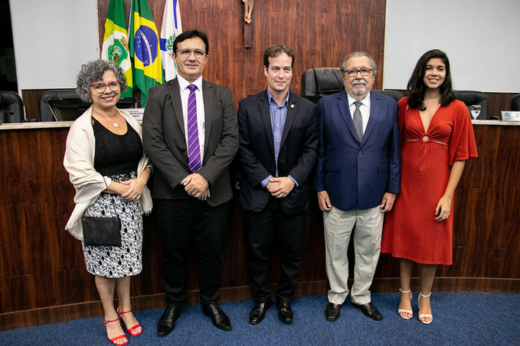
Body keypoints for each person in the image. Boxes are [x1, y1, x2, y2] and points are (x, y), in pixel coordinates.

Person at [142, 30, 239, 335]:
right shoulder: (158, 94)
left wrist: (205, 177)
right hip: (172, 193)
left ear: (207, 58)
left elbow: (230, 140)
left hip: (214, 191)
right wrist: (187, 180)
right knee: (173, 252)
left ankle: (211, 302)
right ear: (174, 57)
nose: (192, 57)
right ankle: (173, 304)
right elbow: (153, 142)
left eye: (198, 52)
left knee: (212, 252)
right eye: (185, 52)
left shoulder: (222, 94)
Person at [381, 49, 478, 324]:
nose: (434, 73)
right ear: (420, 72)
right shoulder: (404, 105)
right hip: (406, 184)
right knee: (406, 237)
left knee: (431, 242)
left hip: (437, 185)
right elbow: (393, 148)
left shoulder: (458, 108)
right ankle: (404, 292)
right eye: (429, 68)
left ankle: (425, 296)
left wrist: (447, 196)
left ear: (446, 74)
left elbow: (461, 156)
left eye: (440, 68)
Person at [64, 60, 153, 346]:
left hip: (132, 202)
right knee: (104, 266)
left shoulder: (130, 120)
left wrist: (140, 181)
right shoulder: (82, 127)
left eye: (112, 83)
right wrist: (118, 187)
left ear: (120, 86)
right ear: (87, 90)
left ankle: (126, 310)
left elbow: (146, 158)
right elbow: (79, 172)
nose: (107, 90)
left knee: (126, 263)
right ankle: (110, 316)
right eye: (99, 85)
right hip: (101, 205)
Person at [314, 52, 401, 322]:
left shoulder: (389, 105)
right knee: (336, 250)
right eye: (352, 71)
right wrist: (319, 186)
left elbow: (394, 152)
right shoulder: (326, 105)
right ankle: (337, 296)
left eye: (364, 71)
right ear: (343, 77)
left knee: (368, 250)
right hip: (336, 192)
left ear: (374, 76)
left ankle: (362, 296)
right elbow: (318, 150)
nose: (358, 76)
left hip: (375, 193)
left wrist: (392, 188)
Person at [237, 45, 319, 325]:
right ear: (265, 71)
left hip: (292, 194)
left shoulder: (308, 109)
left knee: (291, 253)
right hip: (257, 193)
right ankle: (260, 299)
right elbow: (243, 150)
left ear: (292, 72)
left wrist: (291, 180)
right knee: (257, 252)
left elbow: (311, 150)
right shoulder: (247, 106)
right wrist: (266, 180)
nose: (281, 74)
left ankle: (284, 299)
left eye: (286, 69)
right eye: (275, 68)